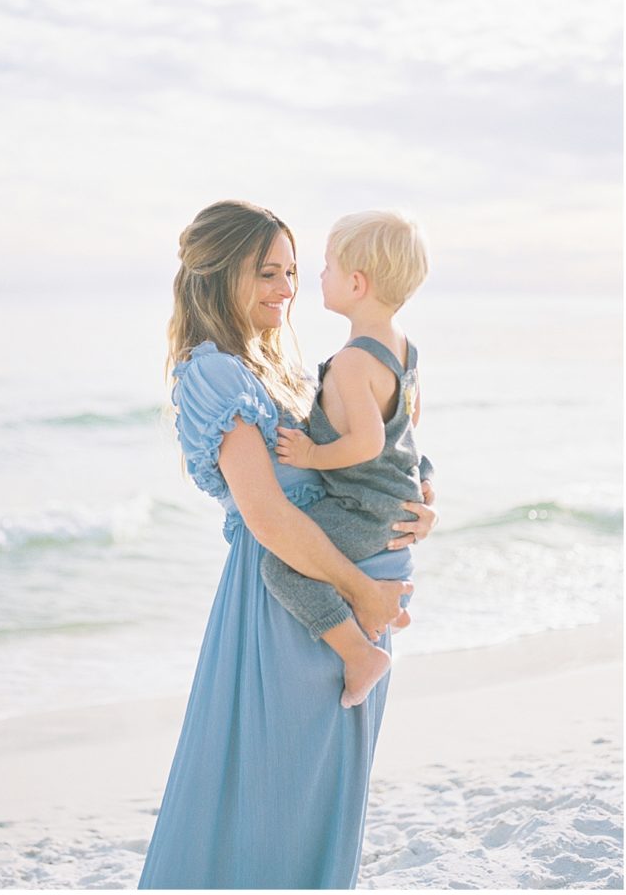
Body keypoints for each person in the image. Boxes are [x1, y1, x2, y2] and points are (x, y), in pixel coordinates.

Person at [137, 200, 437, 890]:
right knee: (274, 797)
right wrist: (366, 595)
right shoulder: (215, 373)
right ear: (216, 276)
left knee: (323, 792)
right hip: (290, 605)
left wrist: (422, 506)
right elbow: (267, 517)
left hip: (337, 592)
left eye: (293, 273)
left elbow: (385, 445)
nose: (285, 289)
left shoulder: (283, 366)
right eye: (266, 273)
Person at [261, 210, 432, 709]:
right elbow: (409, 424)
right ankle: (385, 610)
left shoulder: (355, 361)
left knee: (283, 566)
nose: (317, 276)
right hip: (392, 502)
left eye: (327, 267)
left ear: (356, 283)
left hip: (367, 509)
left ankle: (359, 653)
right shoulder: (406, 349)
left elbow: (369, 444)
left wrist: (314, 451)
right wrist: (423, 481)